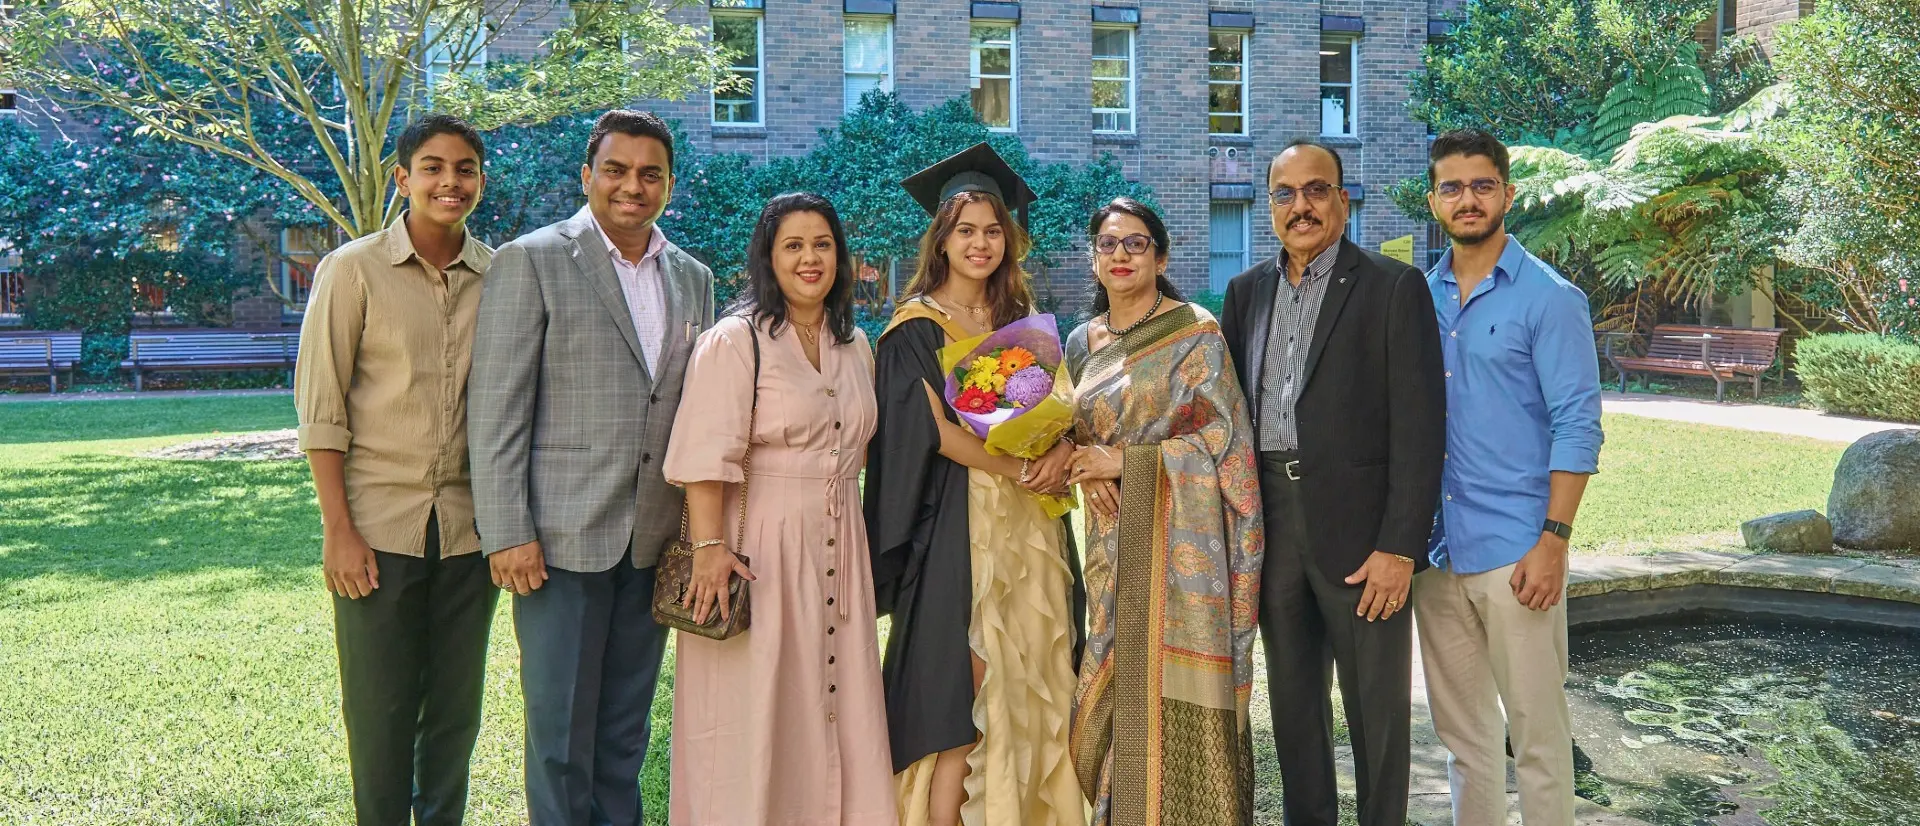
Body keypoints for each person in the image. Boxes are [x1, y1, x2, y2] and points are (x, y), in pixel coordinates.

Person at [468, 109, 714, 826]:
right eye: (616, 169)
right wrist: (507, 530)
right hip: (557, 542)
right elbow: (497, 408)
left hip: (651, 539)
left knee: (623, 733)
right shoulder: (534, 258)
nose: (632, 186)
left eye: (649, 174)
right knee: (560, 737)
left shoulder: (692, 277)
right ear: (587, 175)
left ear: (668, 183)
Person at [1219, 140, 1446, 826]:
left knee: (1376, 715)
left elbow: (1421, 428)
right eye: (1285, 194)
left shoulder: (1392, 287)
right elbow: (1225, 419)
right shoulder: (1245, 292)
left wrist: (1400, 547)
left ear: (1343, 202)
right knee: (1293, 708)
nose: (1301, 206)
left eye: (1316, 190)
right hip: (1271, 525)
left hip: (1362, 537)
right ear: (1269, 207)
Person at [863, 142, 1085, 826]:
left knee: (1033, 682)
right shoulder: (912, 332)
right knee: (967, 693)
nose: (980, 243)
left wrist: (1063, 445)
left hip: (1032, 528)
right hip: (960, 533)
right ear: (942, 239)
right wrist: (1016, 464)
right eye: (965, 230)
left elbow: (1057, 410)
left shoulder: (1019, 320)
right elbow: (929, 438)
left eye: (992, 230)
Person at [662, 192, 897, 825]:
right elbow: (705, 457)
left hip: (836, 541)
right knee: (751, 703)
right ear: (769, 258)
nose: (810, 257)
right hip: (756, 547)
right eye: (793, 245)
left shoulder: (855, 345)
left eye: (822, 244)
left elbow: (862, 448)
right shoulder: (736, 341)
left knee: (833, 701)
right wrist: (710, 551)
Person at [293, 113, 496, 826]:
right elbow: (322, 411)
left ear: (479, 180)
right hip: (378, 530)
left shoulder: (498, 276)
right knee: (379, 714)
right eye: (434, 167)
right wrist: (337, 530)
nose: (451, 181)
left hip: (471, 535)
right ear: (404, 178)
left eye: (465, 168)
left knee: (454, 713)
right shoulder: (351, 271)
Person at [1416, 129, 1604, 826]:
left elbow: (1579, 426)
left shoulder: (1551, 298)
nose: (1468, 199)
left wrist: (1554, 540)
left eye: (1482, 185)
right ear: (1434, 200)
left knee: (1538, 740)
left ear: (1508, 194)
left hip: (1518, 553)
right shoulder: (1417, 297)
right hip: (1435, 554)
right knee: (1464, 744)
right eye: (1453, 187)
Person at [1062, 197, 1264, 826]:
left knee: (1174, 684)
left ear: (1161, 254)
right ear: (1094, 259)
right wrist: (1082, 462)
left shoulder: (1195, 331)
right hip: (1109, 542)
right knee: (1106, 670)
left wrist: (1125, 463)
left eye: (1136, 243)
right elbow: (1070, 434)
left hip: (1184, 550)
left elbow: (1224, 446)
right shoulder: (1076, 341)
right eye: (1109, 244)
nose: (1121, 254)